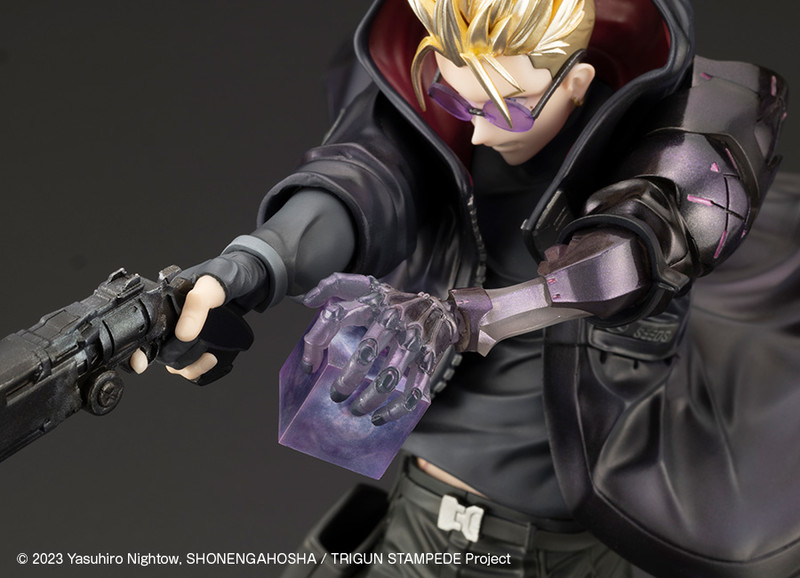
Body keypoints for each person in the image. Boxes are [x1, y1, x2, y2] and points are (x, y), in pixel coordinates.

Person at [136, 0, 796, 576]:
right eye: (458, 100)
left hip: (576, 549)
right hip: (420, 524)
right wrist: (252, 266)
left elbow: (632, 254)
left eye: (505, 106)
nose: (477, 130)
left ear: (577, 81)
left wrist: (469, 316)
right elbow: (366, 176)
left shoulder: (686, 128)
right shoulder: (446, 129)